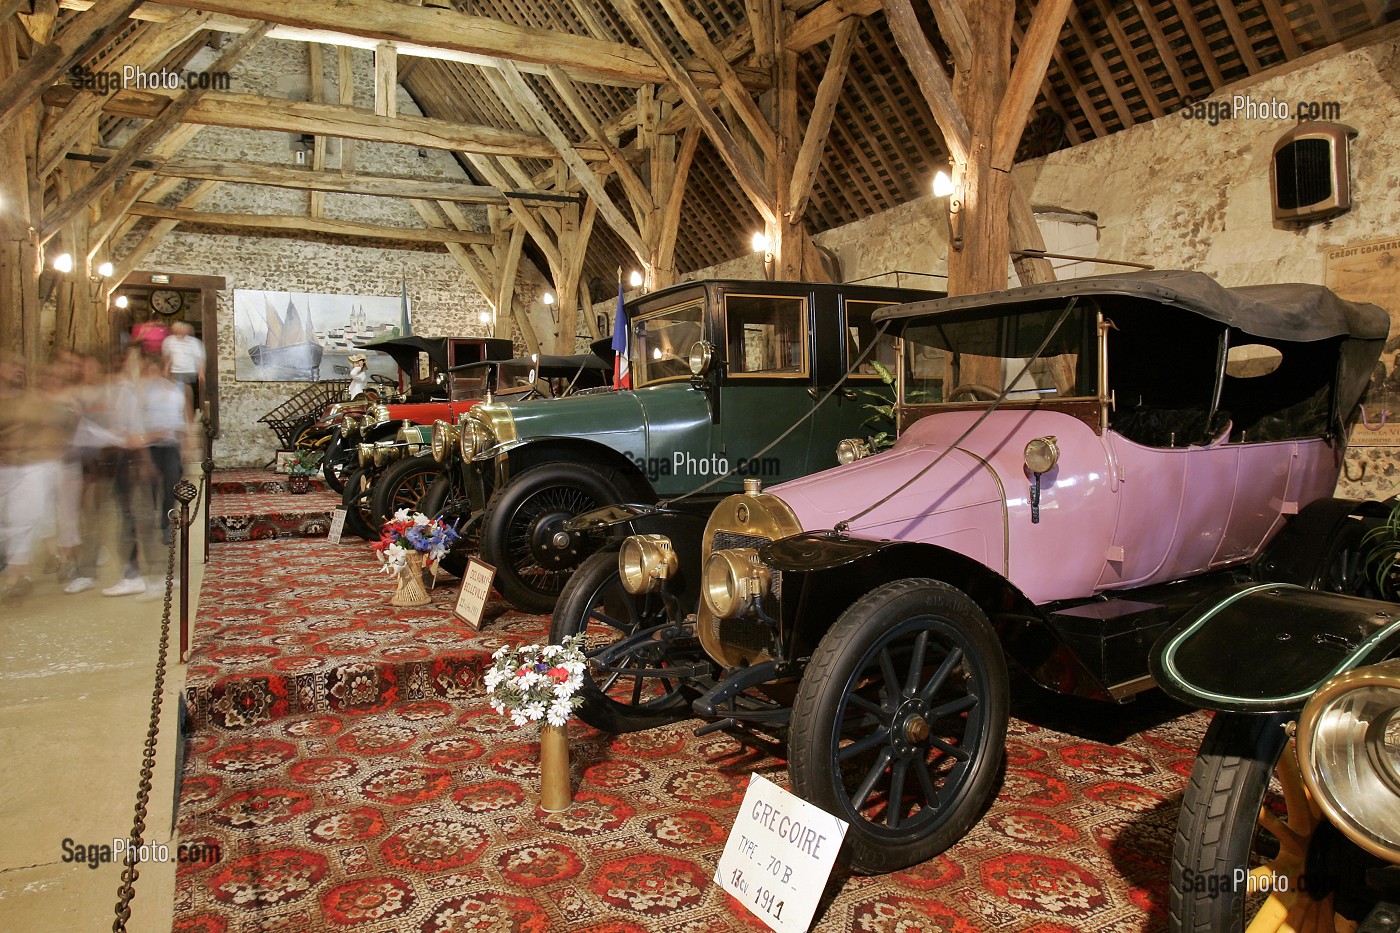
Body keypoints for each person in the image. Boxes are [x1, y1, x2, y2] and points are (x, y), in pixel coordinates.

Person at [162, 321, 205, 408]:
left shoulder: (193, 342)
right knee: (174, 390)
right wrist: (166, 369)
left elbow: (200, 357)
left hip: (188, 370)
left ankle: (188, 411)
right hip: (175, 371)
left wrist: (201, 372)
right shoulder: (169, 340)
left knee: (186, 388)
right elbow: (167, 356)